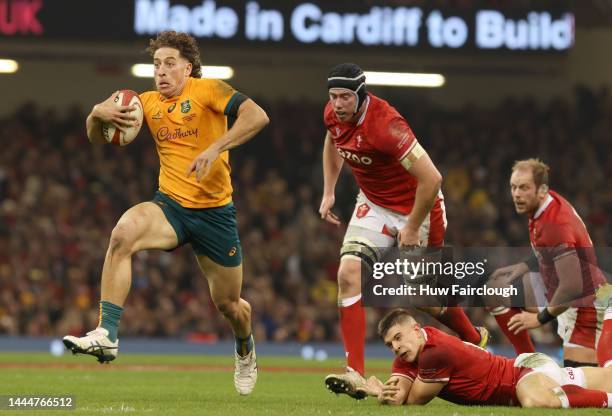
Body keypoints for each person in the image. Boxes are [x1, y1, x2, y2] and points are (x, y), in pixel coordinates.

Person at [62, 31, 269, 395]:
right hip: (170, 206)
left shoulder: (208, 91)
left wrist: (215, 148)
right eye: (156, 64)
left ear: (188, 68)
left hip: (214, 214)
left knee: (230, 305)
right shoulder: (146, 103)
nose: (161, 71)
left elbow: (257, 116)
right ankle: (107, 333)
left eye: (170, 63)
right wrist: (96, 113)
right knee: (122, 233)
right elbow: (98, 136)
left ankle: (244, 349)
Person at [319, 63, 488, 396]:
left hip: (419, 207)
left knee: (422, 297)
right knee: (347, 272)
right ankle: (355, 372)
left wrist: (411, 227)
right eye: (333, 96)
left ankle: (473, 337)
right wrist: (329, 190)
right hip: (374, 204)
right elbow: (332, 141)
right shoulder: (333, 114)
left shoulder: (387, 126)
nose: (337, 104)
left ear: (360, 95)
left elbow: (432, 179)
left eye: (345, 97)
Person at [345, 309, 612, 408]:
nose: (396, 347)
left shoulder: (435, 352)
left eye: (399, 337)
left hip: (521, 374)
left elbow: (413, 399)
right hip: (525, 371)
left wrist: (379, 389)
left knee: (535, 401)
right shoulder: (411, 349)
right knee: (603, 375)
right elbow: (399, 394)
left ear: (416, 330)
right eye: (390, 344)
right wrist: (383, 392)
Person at [486, 159, 611, 367]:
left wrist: (539, 319)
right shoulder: (543, 205)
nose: (516, 194)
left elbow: (572, 286)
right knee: (495, 287)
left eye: (524, 188)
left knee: (579, 389)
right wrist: (523, 267)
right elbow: (548, 251)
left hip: (584, 305)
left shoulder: (555, 224)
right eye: (513, 187)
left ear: (542, 190)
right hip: (557, 289)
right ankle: (529, 364)